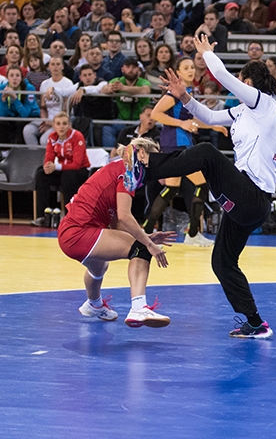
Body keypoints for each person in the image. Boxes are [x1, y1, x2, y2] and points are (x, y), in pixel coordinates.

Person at [144, 34, 276, 339]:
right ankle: (256, 322)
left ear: (249, 82)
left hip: (253, 196)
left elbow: (221, 75)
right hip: (244, 201)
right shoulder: (242, 112)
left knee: (206, 153)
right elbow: (206, 115)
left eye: (242, 82)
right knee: (222, 261)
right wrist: (183, 97)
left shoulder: (263, 104)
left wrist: (205, 53)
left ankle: (147, 169)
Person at [55, 136, 175, 327]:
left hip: (70, 233)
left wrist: (146, 237)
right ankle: (138, 307)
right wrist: (148, 244)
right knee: (140, 249)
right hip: (80, 232)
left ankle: (93, 305)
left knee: (99, 267)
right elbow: (125, 217)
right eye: (153, 161)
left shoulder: (116, 168)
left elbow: (116, 223)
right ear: (142, 153)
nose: (153, 169)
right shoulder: (128, 171)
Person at [146, 56, 226, 245]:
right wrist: (182, 123)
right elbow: (155, 114)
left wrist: (212, 126)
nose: (191, 70)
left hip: (180, 143)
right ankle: (192, 234)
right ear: (178, 72)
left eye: (192, 67)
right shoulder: (174, 93)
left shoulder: (188, 92)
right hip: (176, 144)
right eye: (186, 67)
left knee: (172, 188)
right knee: (202, 184)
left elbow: (193, 121)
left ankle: (148, 230)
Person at [32, 111, 89, 227]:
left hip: (80, 171)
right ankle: (42, 216)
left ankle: (69, 217)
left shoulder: (77, 136)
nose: (61, 127)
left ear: (69, 125)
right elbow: (49, 158)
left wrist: (56, 167)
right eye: (58, 124)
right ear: (54, 125)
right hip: (63, 170)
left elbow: (76, 164)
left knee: (68, 177)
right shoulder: (52, 137)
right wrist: (47, 167)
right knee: (41, 174)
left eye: (64, 124)